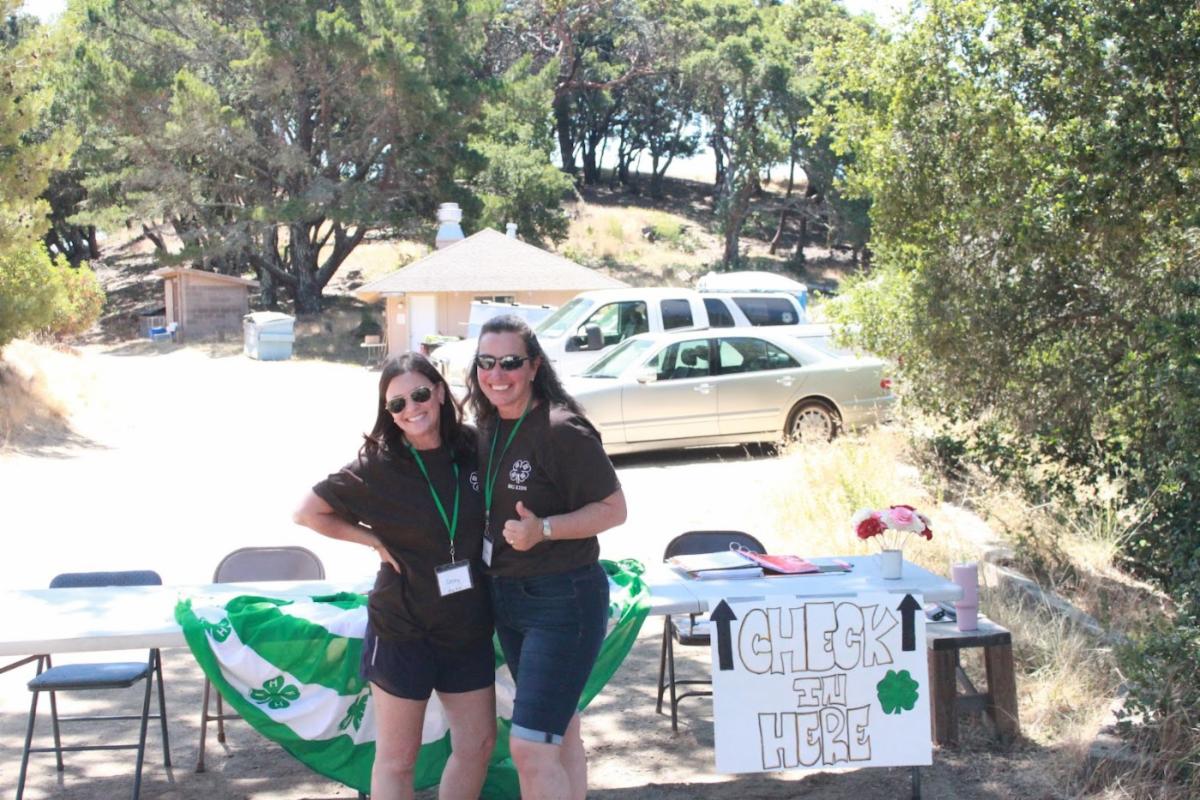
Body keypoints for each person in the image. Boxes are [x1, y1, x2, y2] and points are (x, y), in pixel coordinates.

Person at [293, 353, 495, 800]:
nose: (411, 409)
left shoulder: (474, 448)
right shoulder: (379, 465)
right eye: (397, 404)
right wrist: (373, 541)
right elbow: (307, 512)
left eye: (419, 395)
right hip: (404, 628)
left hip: (467, 625)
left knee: (478, 745)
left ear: (439, 392)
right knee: (398, 759)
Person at [466, 315, 627, 800]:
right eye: (486, 362)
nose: (497, 374)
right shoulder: (489, 426)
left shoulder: (561, 429)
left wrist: (545, 530)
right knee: (561, 732)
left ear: (534, 366)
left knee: (531, 748)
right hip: (507, 596)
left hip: (562, 600)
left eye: (510, 362)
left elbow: (614, 509)